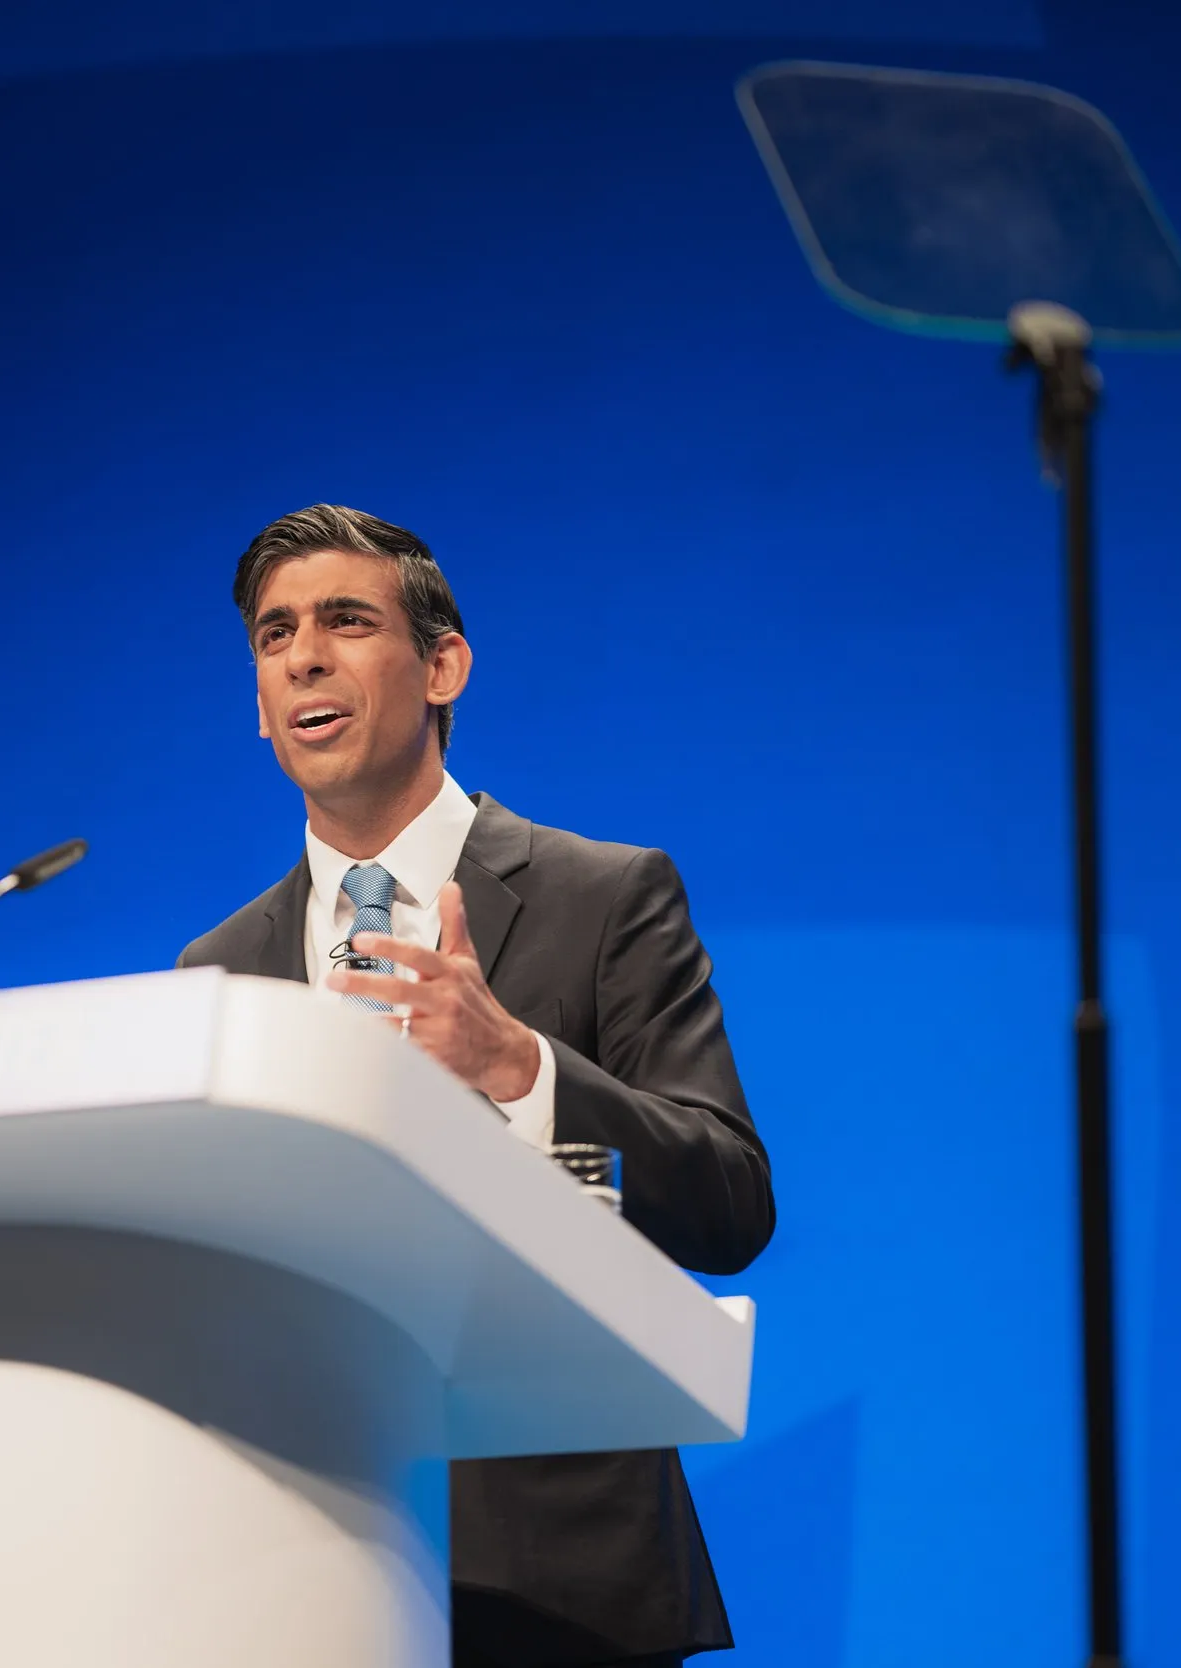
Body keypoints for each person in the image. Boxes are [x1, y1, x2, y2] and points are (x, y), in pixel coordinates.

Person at [178, 505, 776, 1667]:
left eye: (348, 622)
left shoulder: (603, 896)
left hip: (557, 1582)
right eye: (274, 634)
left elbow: (730, 1201)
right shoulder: (217, 973)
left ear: (442, 664)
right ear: (258, 704)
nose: (304, 654)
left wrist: (521, 1069)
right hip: (296, 1576)